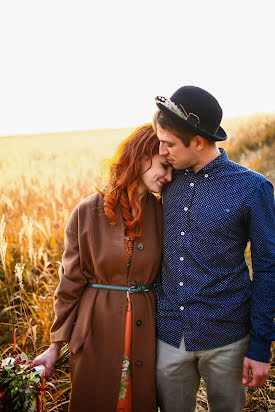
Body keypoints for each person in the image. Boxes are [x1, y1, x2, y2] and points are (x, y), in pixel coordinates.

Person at [33, 124, 172, 412]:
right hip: (95, 329)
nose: (168, 177)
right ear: (143, 157)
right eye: (163, 166)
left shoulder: (161, 213)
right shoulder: (87, 211)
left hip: (144, 331)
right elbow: (70, 282)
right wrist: (54, 346)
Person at [152, 86, 275, 412]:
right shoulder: (164, 179)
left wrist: (261, 346)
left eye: (169, 143)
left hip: (228, 338)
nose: (162, 151)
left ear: (198, 141)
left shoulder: (253, 188)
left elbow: (267, 267)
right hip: (168, 333)